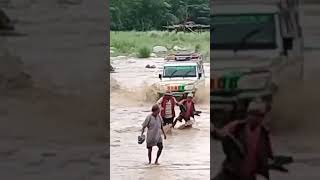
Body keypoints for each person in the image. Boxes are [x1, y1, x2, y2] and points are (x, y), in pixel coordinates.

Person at [212, 98, 274, 180]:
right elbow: (221, 135)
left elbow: (267, 156)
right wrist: (213, 130)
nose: (255, 118)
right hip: (231, 173)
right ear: (248, 114)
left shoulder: (263, 133)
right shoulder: (237, 127)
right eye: (253, 114)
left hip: (249, 175)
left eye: (259, 115)